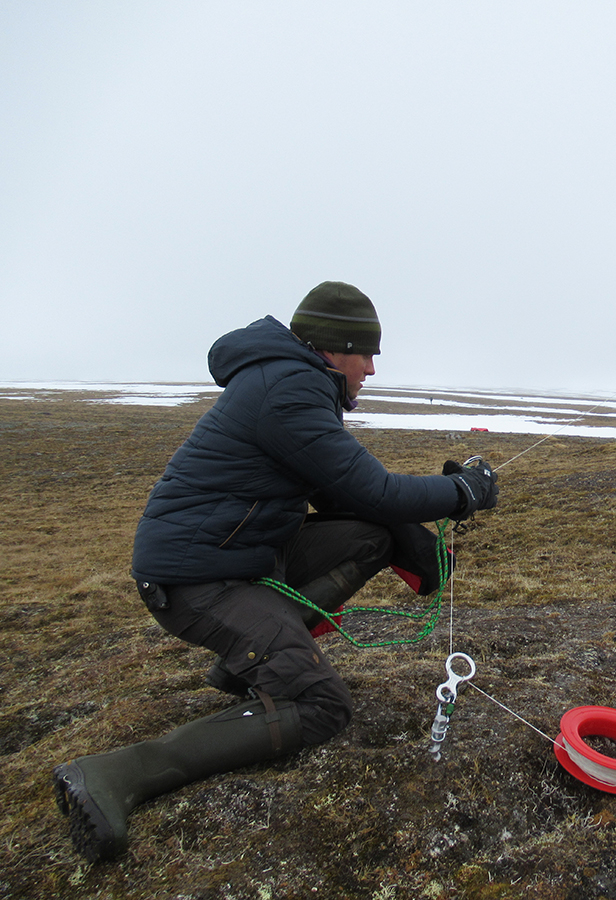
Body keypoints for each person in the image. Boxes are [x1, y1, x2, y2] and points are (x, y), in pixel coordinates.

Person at [51, 281, 498, 863]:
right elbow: (375, 488)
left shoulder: (291, 382)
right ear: (334, 347)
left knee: (371, 533)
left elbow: (355, 500)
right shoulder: (290, 390)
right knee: (321, 707)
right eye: (366, 352)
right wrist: (461, 492)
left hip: (247, 559)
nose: (370, 367)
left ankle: (254, 658)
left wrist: (420, 545)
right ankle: (117, 773)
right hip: (198, 581)